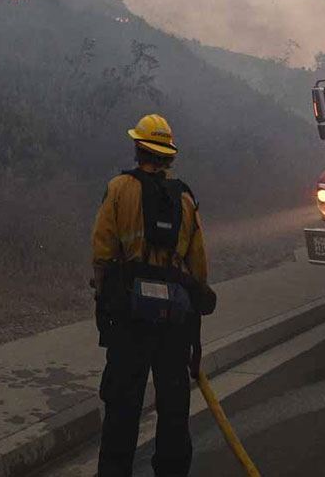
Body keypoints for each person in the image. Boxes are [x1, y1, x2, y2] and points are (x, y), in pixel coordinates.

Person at [90, 113, 214, 477]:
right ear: (169, 156)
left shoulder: (118, 189)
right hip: (174, 320)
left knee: (122, 404)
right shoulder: (186, 199)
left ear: (137, 148)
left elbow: (102, 252)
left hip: (130, 315)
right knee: (174, 406)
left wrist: (104, 300)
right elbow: (198, 266)